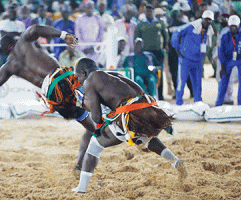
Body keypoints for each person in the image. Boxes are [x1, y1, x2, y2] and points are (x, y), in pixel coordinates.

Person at [0, 25, 96, 172]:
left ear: (4, 49)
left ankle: (79, 166)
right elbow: (36, 28)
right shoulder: (25, 41)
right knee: (94, 123)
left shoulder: (9, 66)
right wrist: (63, 35)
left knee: (90, 124)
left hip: (54, 98)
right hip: (63, 82)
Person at [72, 57, 187, 194]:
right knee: (144, 137)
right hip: (150, 110)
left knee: (94, 145)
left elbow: (96, 118)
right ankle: (175, 161)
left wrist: (84, 105)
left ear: (84, 72)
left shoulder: (90, 80)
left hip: (131, 115)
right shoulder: (113, 75)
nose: (78, 81)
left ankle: (81, 189)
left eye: (78, 76)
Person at [171, 10, 214, 105]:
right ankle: (178, 103)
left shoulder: (209, 31)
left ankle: (198, 103)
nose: (208, 22)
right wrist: (176, 48)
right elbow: (176, 33)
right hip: (185, 59)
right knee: (181, 83)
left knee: (198, 84)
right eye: (207, 19)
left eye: (210, 20)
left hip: (197, 61)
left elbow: (207, 45)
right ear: (202, 18)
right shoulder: (191, 26)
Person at [134, 4, 169, 100]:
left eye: (150, 11)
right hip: (146, 54)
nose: (149, 13)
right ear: (145, 12)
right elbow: (136, 39)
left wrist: (165, 46)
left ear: (153, 12)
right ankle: (146, 95)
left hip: (157, 52)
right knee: (146, 73)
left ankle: (160, 96)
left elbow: (166, 36)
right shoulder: (140, 24)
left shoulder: (160, 23)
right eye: (147, 11)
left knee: (159, 73)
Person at [216, 15, 241, 106]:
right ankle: (218, 105)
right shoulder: (224, 35)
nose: (233, 28)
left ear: (239, 25)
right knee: (223, 81)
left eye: (235, 26)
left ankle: (240, 105)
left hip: (240, 59)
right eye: (231, 26)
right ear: (229, 26)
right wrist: (222, 67)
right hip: (228, 60)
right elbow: (221, 52)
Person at [168, 9, 193, 99]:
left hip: (174, 53)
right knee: (186, 72)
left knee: (175, 73)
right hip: (183, 53)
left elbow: (168, 42)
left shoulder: (169, 26)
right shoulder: (184, 25)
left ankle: (178, 93)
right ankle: (192, 92)